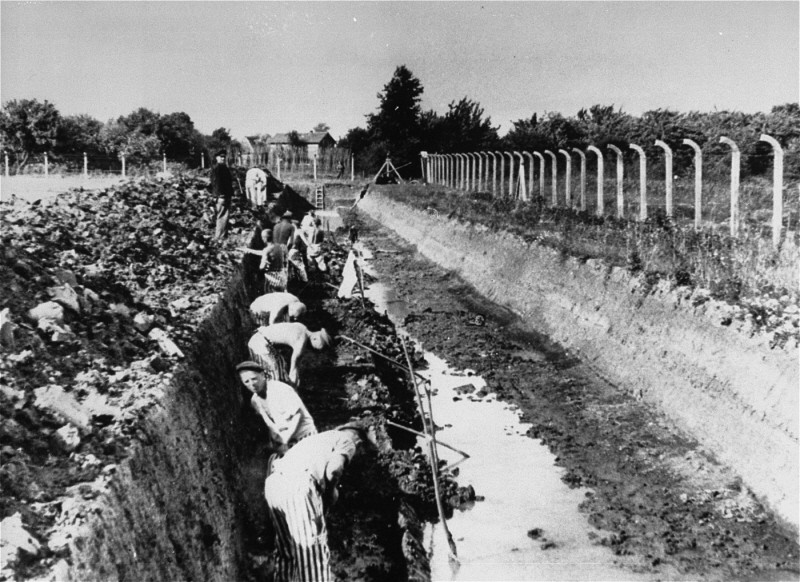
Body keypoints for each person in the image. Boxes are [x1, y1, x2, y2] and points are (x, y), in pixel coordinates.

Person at [264, 421, 377, 582]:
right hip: (298, 488)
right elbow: (334, 469)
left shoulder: (318, 439)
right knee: (312, 554)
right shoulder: (347, 441)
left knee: (287, 552)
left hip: (274, 485)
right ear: (359, 440)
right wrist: (330, 492)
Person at [235, 361, 317, 457]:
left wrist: (285, 438)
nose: (252, 384)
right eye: (246, 381)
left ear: (262, 375)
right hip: (285, 443)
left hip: (304, 436)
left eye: (254, 379)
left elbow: (297, 416)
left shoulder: (280, 389)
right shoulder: (255, 401)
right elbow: (270, 424)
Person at [252, 323, 331, 386]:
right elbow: (294, 362)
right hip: (260, 343)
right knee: (276, 373)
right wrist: (293, 381)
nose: (313, 349)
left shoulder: (302, 327)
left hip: (259, 337)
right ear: (315, 338)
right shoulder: (302, 340)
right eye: (317, 347)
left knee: (281, 365)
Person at [209, 150, 234, 241]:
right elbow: (216, 184)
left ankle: (223, 235)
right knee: (221, 216)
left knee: (226, 216)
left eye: (224, 157)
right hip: (222, 196)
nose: (223, 158)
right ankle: (219, 236)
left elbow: (228, 183)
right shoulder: (217, 169)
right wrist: (219, 195)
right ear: (216, 158)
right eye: (221, 157)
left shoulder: (225, 168)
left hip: (227, 195)